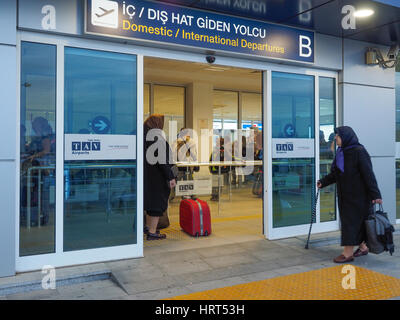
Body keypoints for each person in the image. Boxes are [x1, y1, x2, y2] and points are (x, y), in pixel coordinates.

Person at [317, 126, 382, 263]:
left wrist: (376, 195)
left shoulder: (359, 151)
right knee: (356, 224)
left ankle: (347, 254)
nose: (335, 138)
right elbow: (337, 174)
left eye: (338, 135)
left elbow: (368, 174)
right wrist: (323, 182)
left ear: (346, 137)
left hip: (359, 197)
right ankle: (363, 247)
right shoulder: (342, 152)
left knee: (350, 224)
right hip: (346, 196)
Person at [143, 114, 177, 240]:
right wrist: (170, 176)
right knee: (157, 204)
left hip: (147, 177)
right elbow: (163, 161)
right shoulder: (156, 138)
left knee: (150, 203)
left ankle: (147, 227)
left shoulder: (143, 136)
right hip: (157, 177)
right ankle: (152, 232)